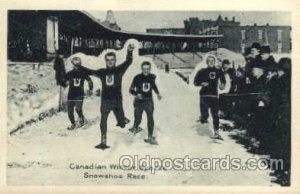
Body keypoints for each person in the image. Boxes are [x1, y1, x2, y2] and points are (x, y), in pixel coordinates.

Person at [78, 44, 135, 149]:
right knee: (103, 119)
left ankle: (123, 120)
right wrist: (78, 66)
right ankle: (103, 141)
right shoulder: (102, 72)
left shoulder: (119, 70)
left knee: (122, 124)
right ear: (105, 60)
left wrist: (129, 51)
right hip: (105, 101)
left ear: (115, 60)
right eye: (108, 59)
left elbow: (128, 62)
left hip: (117, 101)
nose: (110, 61)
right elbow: (89, 71)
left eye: (112, 59)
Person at [129, 61, 162, 145]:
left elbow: (153, 85)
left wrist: (158, 93)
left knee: (150, 118)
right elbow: (131, 90)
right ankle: (135, 127)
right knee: (138, 117)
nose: (146, 71)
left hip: (148, 101)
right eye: (144, 69)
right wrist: (137, 94)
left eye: (147, 69)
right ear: (141, 69)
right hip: (139, 101)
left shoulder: (152, 77)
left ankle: (150, 137)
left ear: (150, 69)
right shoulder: (137, 77)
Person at [194, 55, 226, 139]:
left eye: (212, 60)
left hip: (214, 95)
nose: (211, 62)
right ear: (207, 62)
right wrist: (201, 83)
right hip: (204, 95)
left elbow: (223, 80)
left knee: (215, 115)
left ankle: (216, 132)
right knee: (204, 115)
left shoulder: (218, 71)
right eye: (209, 61)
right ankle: (203, 119)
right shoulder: (202, 71)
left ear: (215, 62)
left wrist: (222, 85)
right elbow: (195, 82)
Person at [64, 57, 93, 130]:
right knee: (70, 112)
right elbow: (64, 81)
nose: (77, 66)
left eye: (78, 64)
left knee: (78, 109)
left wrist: (90, 89)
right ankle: (73, 123)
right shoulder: (70, 73)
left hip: (79, 94)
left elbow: (89, 80)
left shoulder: (83, 73)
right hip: (71, 95)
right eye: (76, 64)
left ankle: (81, 118)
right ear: (73, 64)